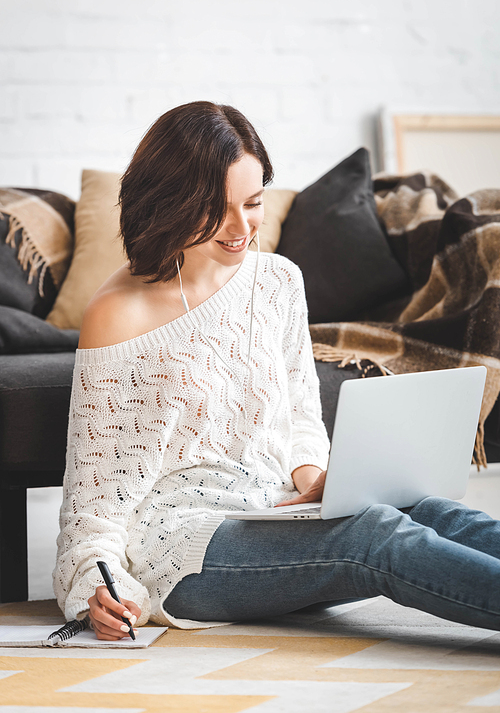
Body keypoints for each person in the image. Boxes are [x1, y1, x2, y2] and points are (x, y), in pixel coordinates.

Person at [54, 101, 500, 641]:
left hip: (274, 509)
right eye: (219, 209)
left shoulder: (277, 282)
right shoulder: (117, 314)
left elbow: (302, 414)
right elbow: (92, 503)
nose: (242, 227)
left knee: (432, 510)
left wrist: (316, 481)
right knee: (373, 536)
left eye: (254, 201)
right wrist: (94, 587)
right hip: (182, 551)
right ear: (171, 202)